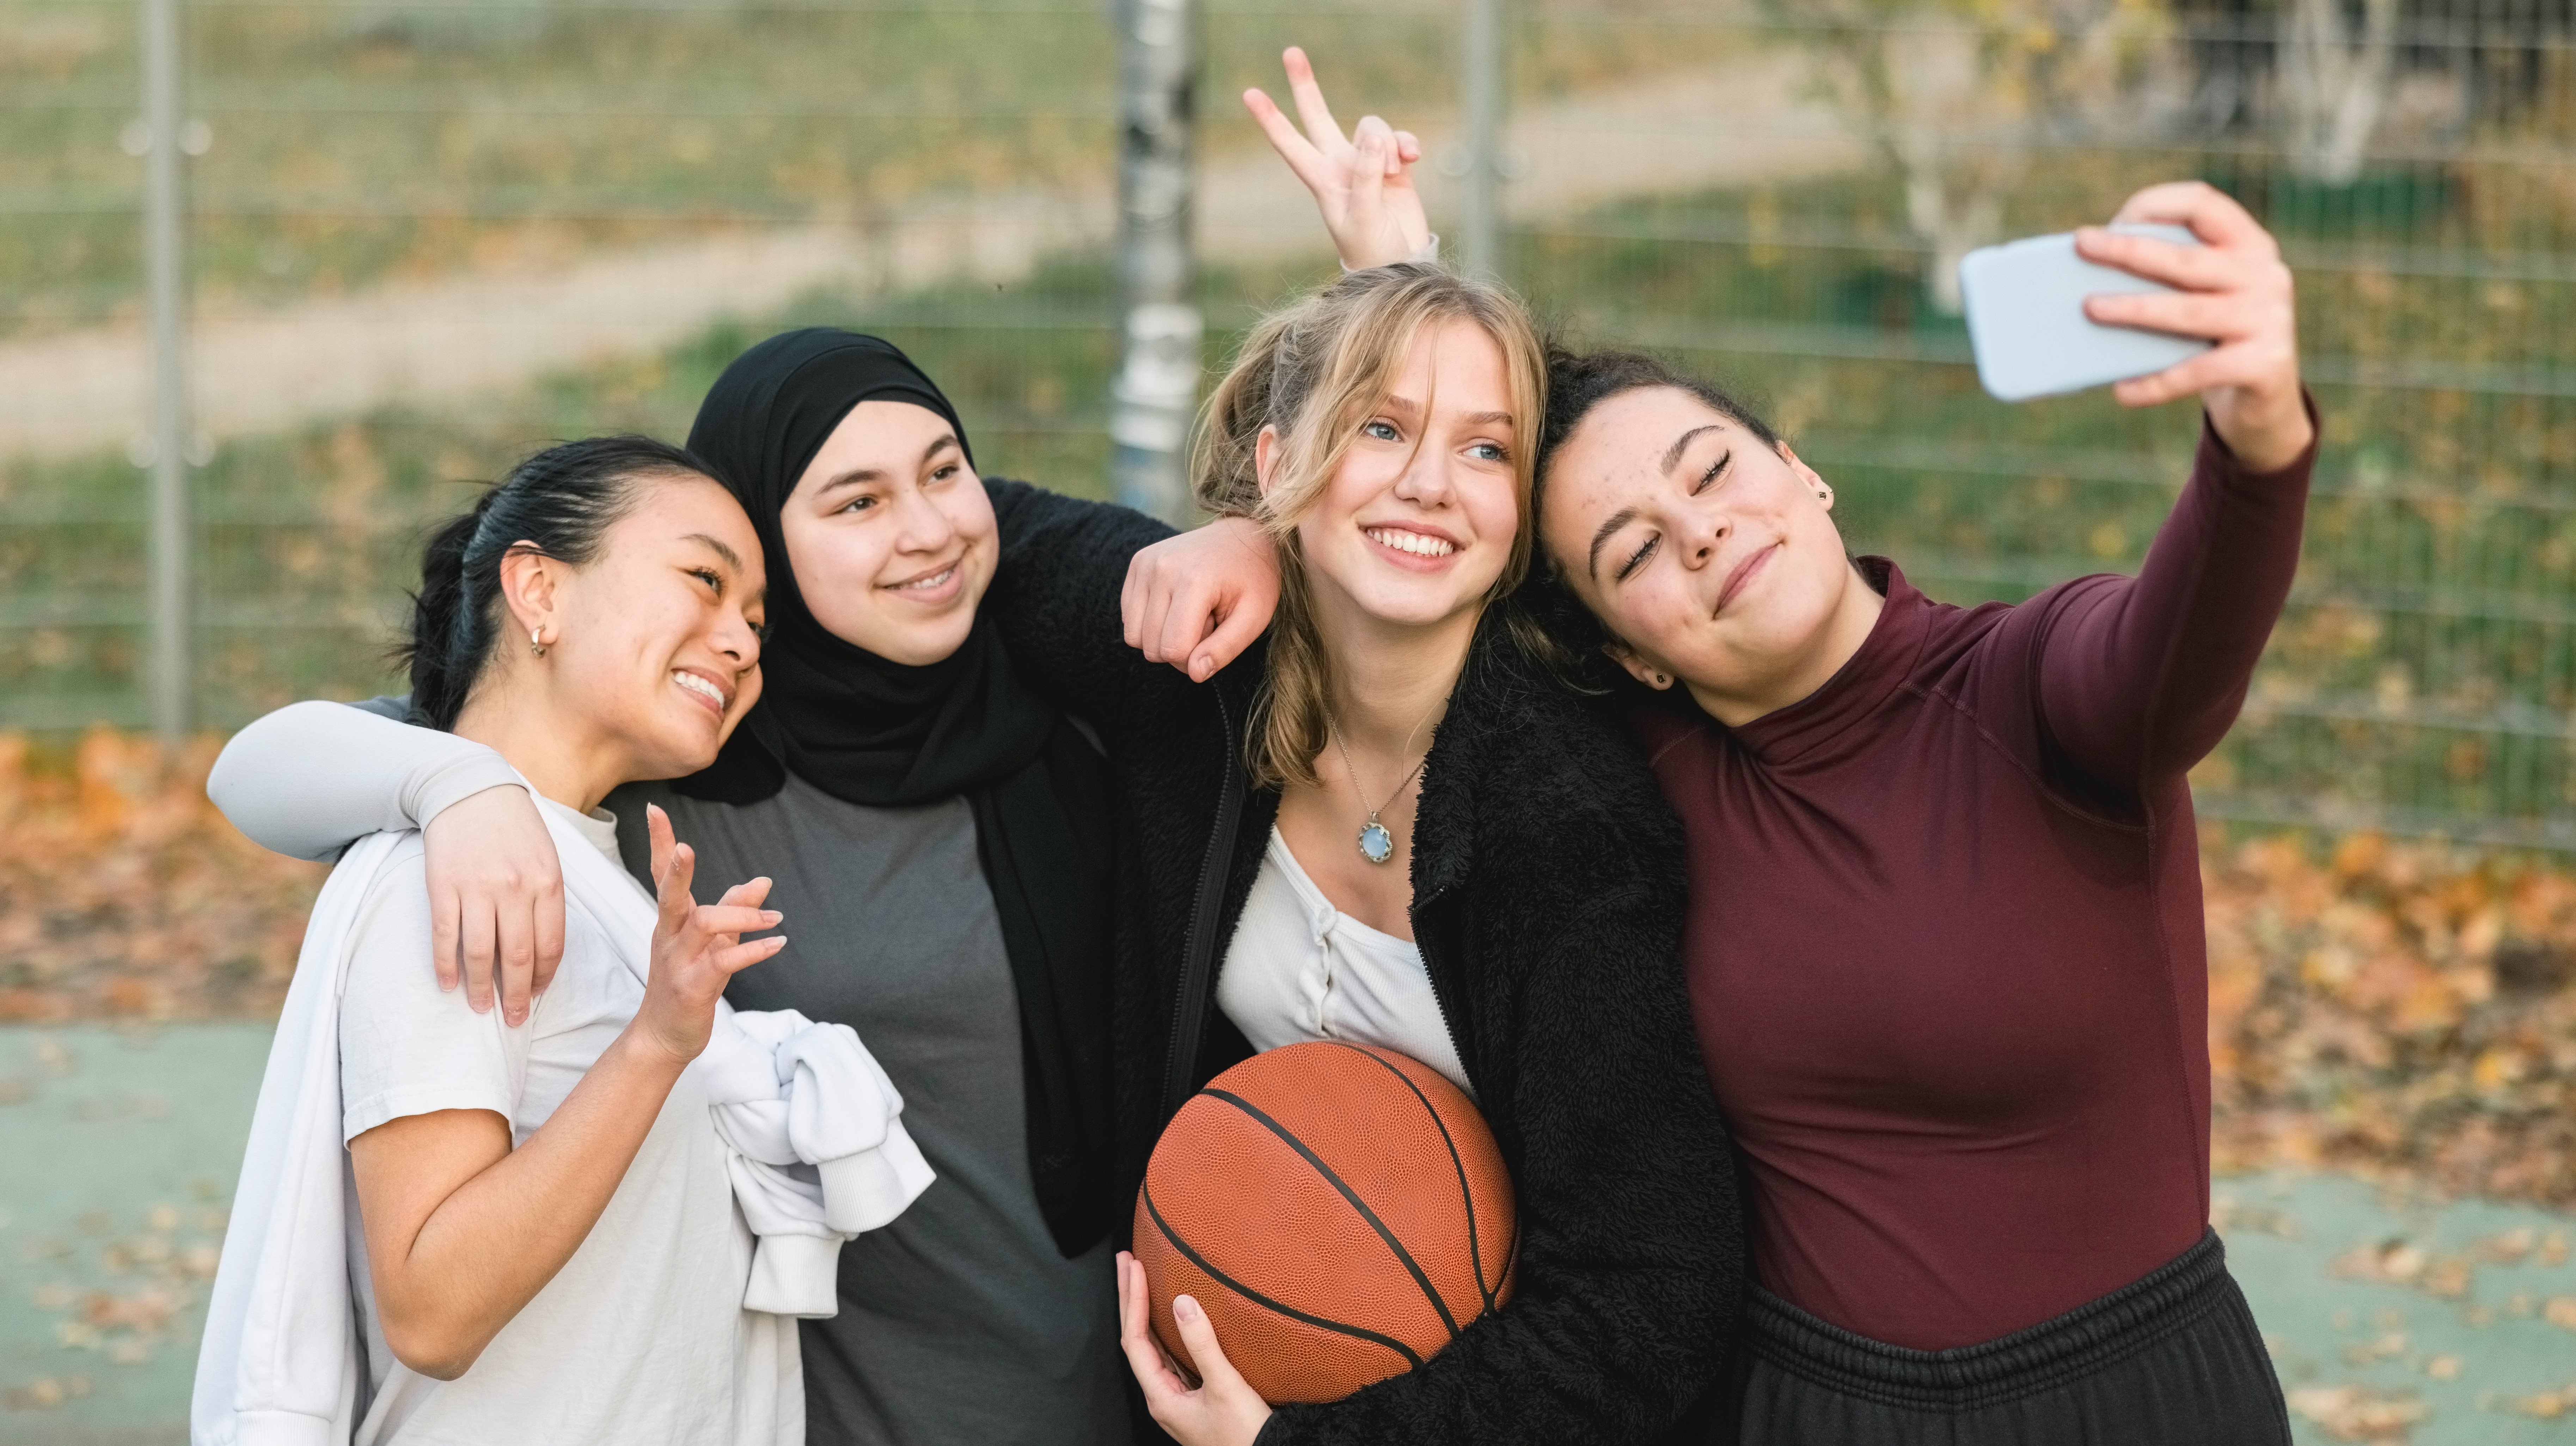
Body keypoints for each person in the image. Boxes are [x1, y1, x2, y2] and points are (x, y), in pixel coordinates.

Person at [1159, 53, 2314, 1444]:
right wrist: (1270, 520)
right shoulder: (1630, 770)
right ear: (1627, 648)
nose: (1697, 529)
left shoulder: (2037, 692)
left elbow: (2181, 648)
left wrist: (2256, 438)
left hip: (2123, 1402)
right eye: (1634, 549)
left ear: (1804, 474)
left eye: (1711, 473)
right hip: (1796, 1411)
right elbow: (1422, 551)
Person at [203, 341, 1276, 1445]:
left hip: (1089, 1386)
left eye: (945, 471)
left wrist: (1258, 535)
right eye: (851, 501)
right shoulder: (638, 788)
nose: (925, 527)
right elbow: (271, 767)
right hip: (822, 1406)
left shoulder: (1086, 715)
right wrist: (453, 784)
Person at [981, 261, 1743, 1446]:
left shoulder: (1565, 831)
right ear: (1281, 462)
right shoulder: (1199, 671)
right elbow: (968, 530)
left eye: (1487, 451)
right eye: (1380, 429)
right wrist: (1231, 537)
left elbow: (1652, 1300)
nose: (1433, 485)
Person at [195, 436, 932, 1446]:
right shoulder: (461, 873)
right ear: (539, 590)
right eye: (704, 581)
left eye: (755, 620)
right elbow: (434, 1309)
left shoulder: (578, 868)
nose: (744, 641)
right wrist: (653, 1048)